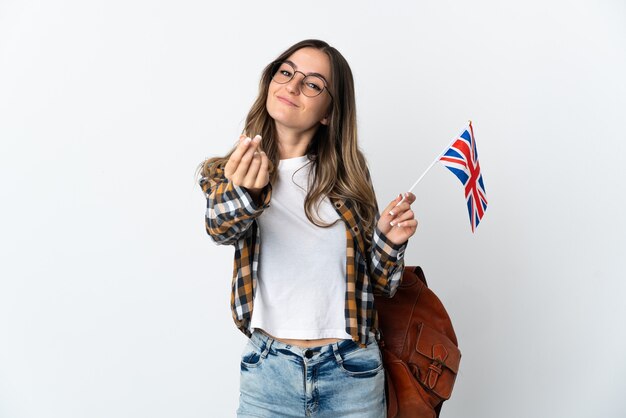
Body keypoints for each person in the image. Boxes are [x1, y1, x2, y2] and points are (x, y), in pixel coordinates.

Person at [198, 39, 417, 418]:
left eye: (313, 83)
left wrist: (389, 242)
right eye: (286, 72)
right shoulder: (229, 170)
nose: (293, 85)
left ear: (329, 112)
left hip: (351, 372)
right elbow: (220, 228)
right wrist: (247, 192)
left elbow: (381, 286)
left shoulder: (349, 179)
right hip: (269, 372)